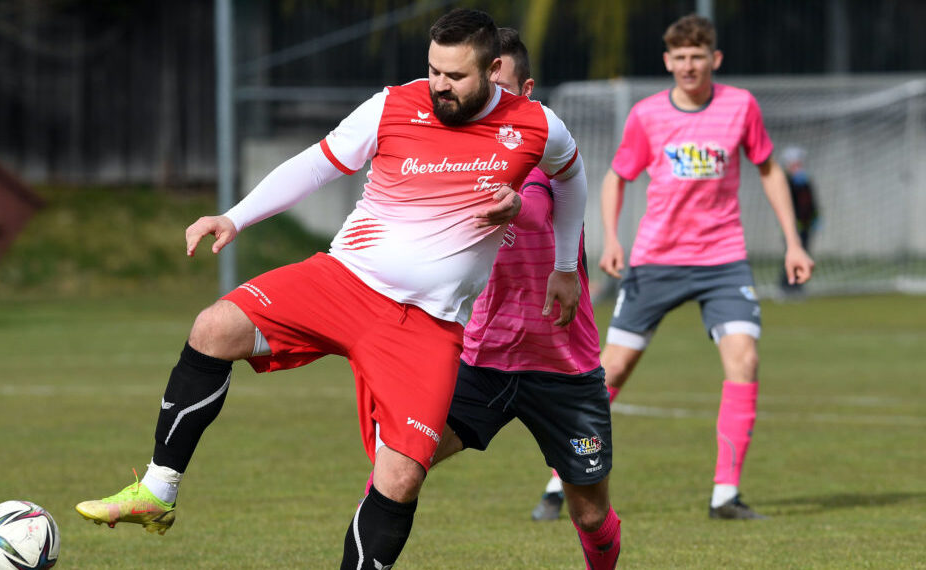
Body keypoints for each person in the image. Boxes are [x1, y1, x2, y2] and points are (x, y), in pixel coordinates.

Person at [74, 8, 589, 569]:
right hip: (342, 283)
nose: (439, 85)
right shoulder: (393, 104)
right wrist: (236, 217)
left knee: (401, 474)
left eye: (455, 76)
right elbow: (316, 166)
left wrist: (565, 266)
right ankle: (158, 489)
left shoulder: (536, 125)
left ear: (492, 70)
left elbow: (572, 177)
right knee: (214, 327)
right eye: (434, 70)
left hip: (426, 324)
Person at [388, 27, 620, 568]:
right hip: (481, 361)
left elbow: (538, 207)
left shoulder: (546, 153)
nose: (491, 108)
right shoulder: (460, 152)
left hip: (563, 367)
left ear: (527, 90)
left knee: (589, 516)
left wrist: (512, 203)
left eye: (503, 91)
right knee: (398, 467)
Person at [594, 14, 814, 520]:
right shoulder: (647, 115)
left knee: (745, 361)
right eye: (680, 58)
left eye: (699, 57)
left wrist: (794, 243)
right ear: (668, 62)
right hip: (656, 260)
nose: (689, 66)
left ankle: (724, 496)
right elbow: (616, 176)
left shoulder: (741, 106)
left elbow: (768, 169)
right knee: (613, 369)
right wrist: (611, 239)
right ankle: (563, 478)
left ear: (714, 60)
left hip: (723, 261)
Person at [778, 145, 819, 297]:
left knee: (804, 256)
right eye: (795, 163)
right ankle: (786, 286)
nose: (799, 166)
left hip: (806, 226)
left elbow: (811, 203)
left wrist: (815, 218)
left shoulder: (805, 180)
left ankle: (798, 286)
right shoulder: (785, 182)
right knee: (792, 255)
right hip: (792, 227)